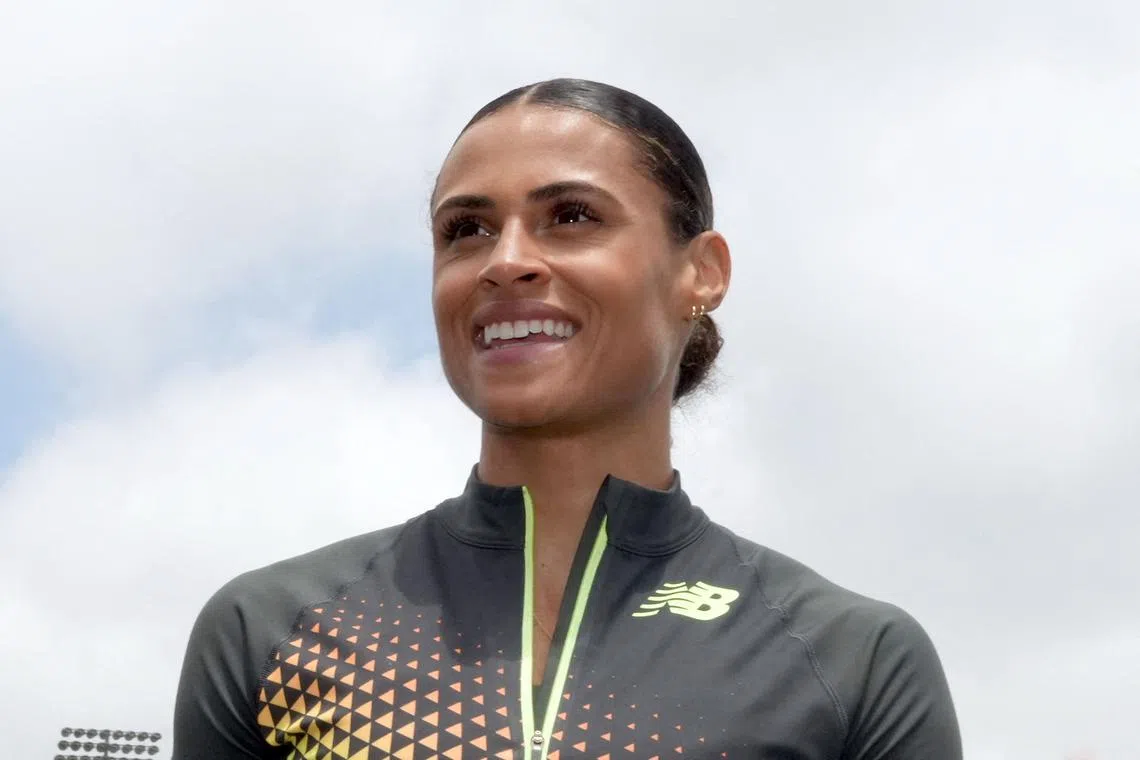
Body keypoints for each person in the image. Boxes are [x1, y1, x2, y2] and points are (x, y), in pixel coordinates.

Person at [173, 78, 962, 759]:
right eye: (465, 230)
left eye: (572, 216)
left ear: (702, 273)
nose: (504, 259)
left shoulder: (850, 657)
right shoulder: (269, 630)